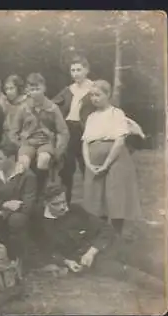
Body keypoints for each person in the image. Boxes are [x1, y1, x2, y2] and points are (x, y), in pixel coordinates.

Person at [38, 184, 163, 292]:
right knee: (130, 273)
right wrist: (68, 262)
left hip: (106, 245)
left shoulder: (75, 210)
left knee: (146, 262)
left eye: (64, 202)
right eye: (56, 204)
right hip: (94, 262)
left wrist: (91, 252)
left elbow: (105, 228)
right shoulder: (42, 225)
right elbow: (48, 252)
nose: (63, 207)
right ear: (45, 203)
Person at [81, 80, 144, 235]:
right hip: (94, 162)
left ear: (107, 95)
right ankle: (99, 236)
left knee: (116, 196)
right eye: (92, 95)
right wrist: (88, 164)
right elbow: (85, 143)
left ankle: (116, 235)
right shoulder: (91, 117)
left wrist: (106, 164)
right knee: (96, 198)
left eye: (98, 95)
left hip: (115, 159)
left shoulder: (116, 114)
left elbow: (120, 141)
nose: (94, 98)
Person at [8, 73, 69, 193]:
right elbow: (13, 131)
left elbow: (63, 131)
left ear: (44, 88)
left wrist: (58, 150)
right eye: (32, 89)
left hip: (45, 142)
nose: (35, 92)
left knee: (43, 160)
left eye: (38, 89)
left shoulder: (52, 108)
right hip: (27, 143)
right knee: (23, 162)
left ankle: (40, 191)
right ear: (27, 90)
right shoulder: (23, 108)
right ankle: (26, 193)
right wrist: (20, 143)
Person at [0, 144, 37, 273]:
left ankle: (17, 260)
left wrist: (3, 210)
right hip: (1, 212)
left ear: (11, 158)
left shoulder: (27, 176)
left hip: (20, 215)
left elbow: (27, 205)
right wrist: (5, 205)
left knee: (16, 220)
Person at [52, 55, 97, 205]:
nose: (76, 73)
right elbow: (52, 106)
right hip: (69, 130)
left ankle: (94, 206)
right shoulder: (67, 90)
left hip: (87, 131)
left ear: (87, 70)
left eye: (79, 69)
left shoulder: (94, 89)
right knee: (66, 168)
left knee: (88, 167)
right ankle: (66, 204)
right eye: (73, 70)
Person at [2, 74, 28, 145]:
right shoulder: (7, 105)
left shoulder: (27, 104)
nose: (8, 92)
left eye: (11, 88)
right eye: (6, 89)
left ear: (19, 88)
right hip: (10, 142)